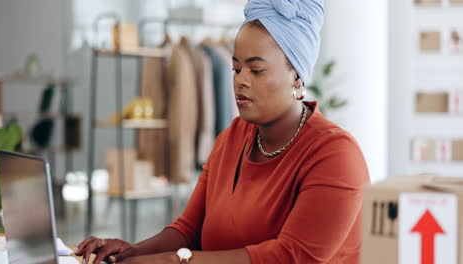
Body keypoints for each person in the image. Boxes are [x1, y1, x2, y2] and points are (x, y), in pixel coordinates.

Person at [74, 0, 370, 263]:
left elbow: (290, 257)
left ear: (296, 76)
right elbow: (188, 230)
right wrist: (129, 252)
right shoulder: (232, 138)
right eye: (236, 68)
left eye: (256, 70)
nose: (240, 81)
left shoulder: (335, 155)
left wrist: (174, 261)